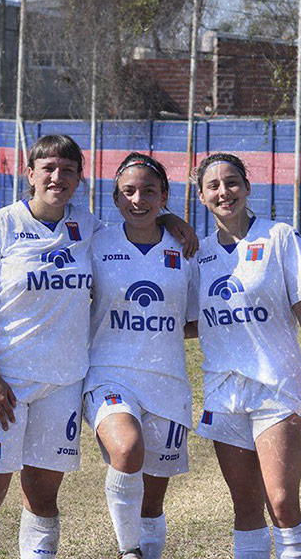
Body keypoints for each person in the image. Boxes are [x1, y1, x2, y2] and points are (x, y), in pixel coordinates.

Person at [0, 135, 196, 559]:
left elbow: (138, 218)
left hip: (63, 380)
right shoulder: (0, 225)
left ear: (80, 179)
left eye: (67, 170)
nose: (57, 178)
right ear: (30, 175)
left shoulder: (88, 228)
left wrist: (172, 219)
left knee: (42, 496)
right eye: (48, 169)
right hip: (3, 379)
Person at [190, 153, 301, 559]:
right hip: (223, 393)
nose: (224, 192)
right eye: (214, 186)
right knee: (245, 508)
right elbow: (189, 321)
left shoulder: (279, 237)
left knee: (282, 503)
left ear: (247, 187)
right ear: (201, 196)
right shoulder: (196, 254)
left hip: (277, 388)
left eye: (232, 182)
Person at [85, 153, 198, 559]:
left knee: (151, 503)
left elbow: (196, 319)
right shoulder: (96, 242)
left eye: (149, 191)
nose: (138, 199)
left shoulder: (185, 250)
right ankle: (127, 551)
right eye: (128, 192)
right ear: (115, 199)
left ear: (164, 196)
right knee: (127, 449)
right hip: (109, 375)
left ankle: (145, 550)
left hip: (167, 383)